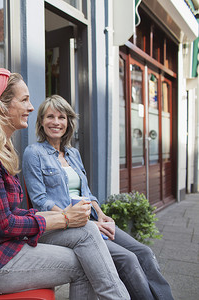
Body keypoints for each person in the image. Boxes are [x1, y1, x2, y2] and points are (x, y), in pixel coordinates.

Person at [0, 69, 130, 299]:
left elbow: (13, 213)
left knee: (85, 232)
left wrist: (62, 216)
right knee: (85, 261)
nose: (31, 107)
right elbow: (5, 224)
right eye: (24, 100)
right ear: (1, 105)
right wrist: (63, 219)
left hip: (4, 248)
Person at [22, 94, 174, 300]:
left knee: (144, 252)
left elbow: (86, 193)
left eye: (61, 117)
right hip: (63, 225)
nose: (56, 122)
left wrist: (101, 215)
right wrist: (73, 217)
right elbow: (40, 200)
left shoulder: (73, 154)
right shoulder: (34, 152)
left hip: (90, 219)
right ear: (41, 121)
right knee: (128, 259)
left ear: (68, 122)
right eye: (50, 117)